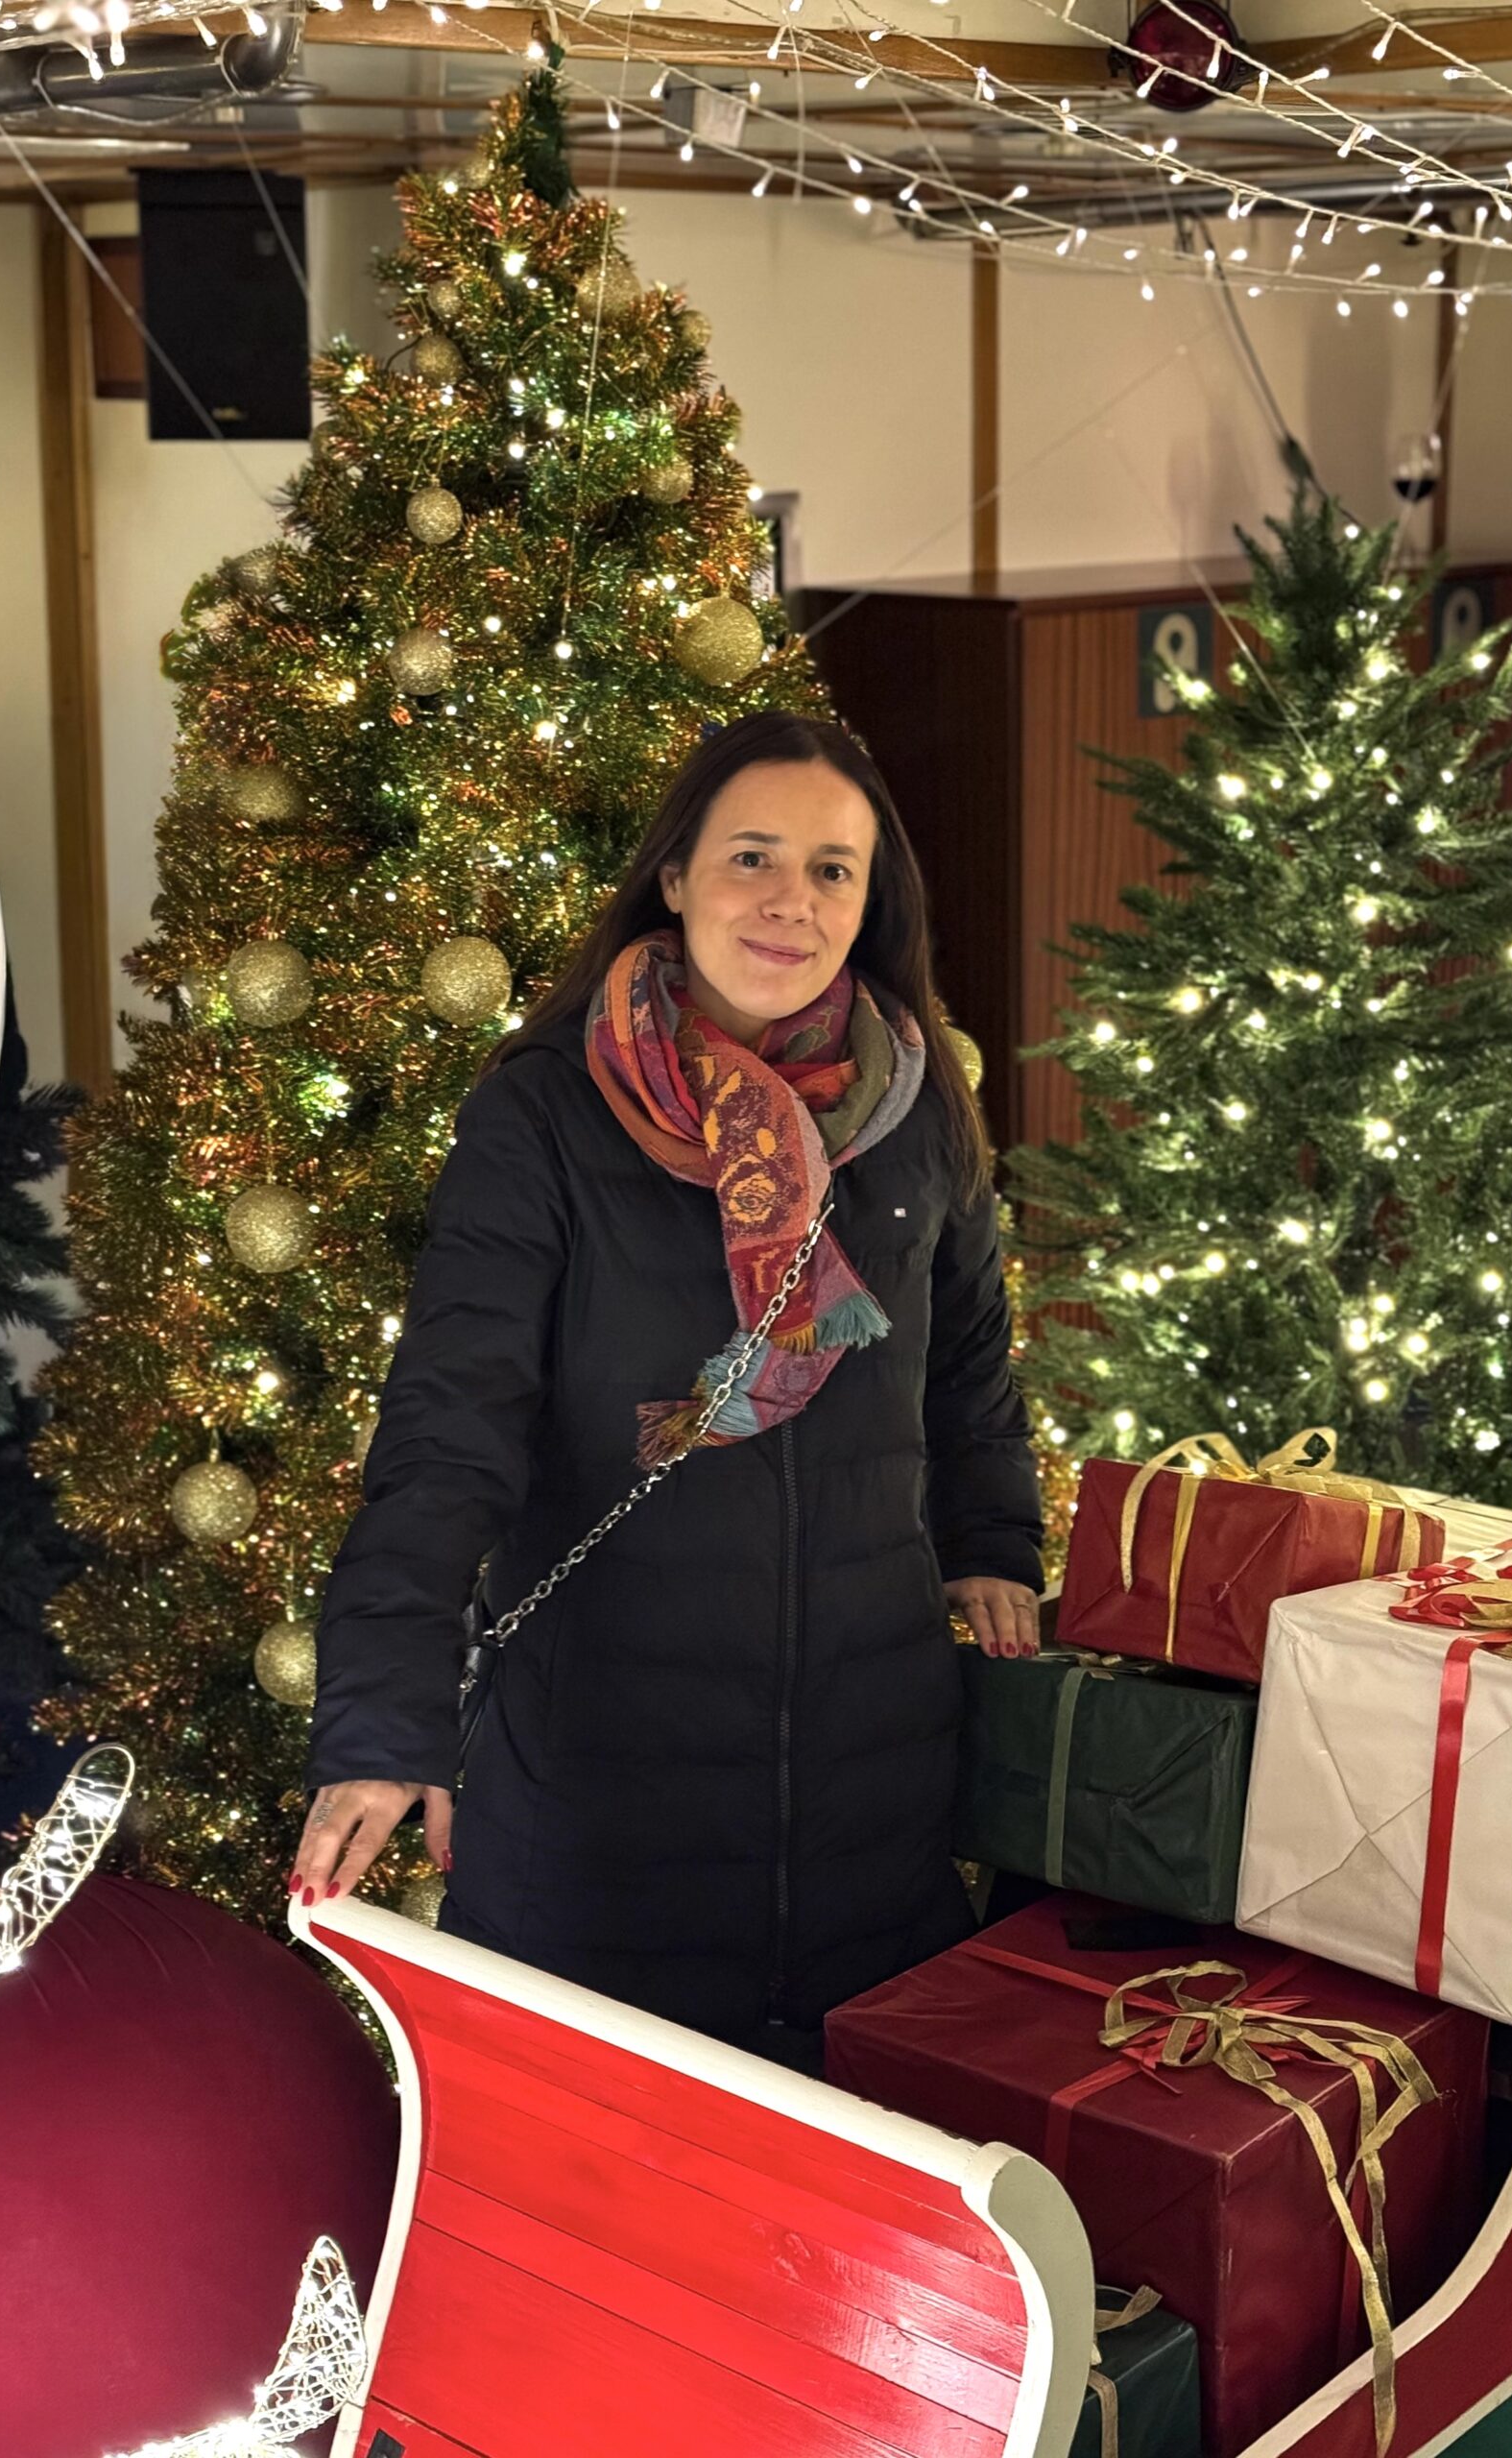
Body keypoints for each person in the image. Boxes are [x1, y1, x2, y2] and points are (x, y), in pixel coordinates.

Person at [291, 711, 1044, 2072]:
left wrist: (995, 1543)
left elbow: (969, 1363)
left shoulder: (916, 1105)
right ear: (677, 877)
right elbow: (449, 1429)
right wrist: (386, 1721)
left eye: (833, 870)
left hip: (871, 1801)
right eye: (752, 855)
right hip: (598, 1807)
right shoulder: (545, 1111)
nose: (790, 901)